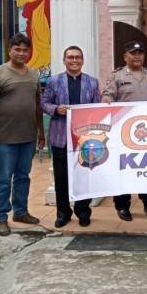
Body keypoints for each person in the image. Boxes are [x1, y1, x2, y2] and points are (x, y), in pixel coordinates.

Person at [0, 33, 46, 236]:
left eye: (25, 50)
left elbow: (37, 106)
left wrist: (40, 132)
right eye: (17, 49)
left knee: (23, 177)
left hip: (27, 136)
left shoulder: (34, 75)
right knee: (3, 179)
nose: (21, 53)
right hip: (4, 138)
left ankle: (21, 212)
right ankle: (1, 217)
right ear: (9, 50)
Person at [101, 40, 147, 221]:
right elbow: (108, 94)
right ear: (125, 57)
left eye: (140, 53)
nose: (137, 56)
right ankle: (122, 206)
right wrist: (106, 99)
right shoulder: (117, 76)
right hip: (123, 133)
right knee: (123, 170)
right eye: (133, 53)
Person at [41, 45, 100, 228]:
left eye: (77, 57)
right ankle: (63, 213)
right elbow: (43, 103)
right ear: (64, 60)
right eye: (70, 57)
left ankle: (83, 211)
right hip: (61, 137)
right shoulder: (54, 81)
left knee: (84, 177)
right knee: (61, 177)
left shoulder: (92, 82)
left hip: (84, 139)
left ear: (82, 60)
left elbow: (97, 106)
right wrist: (55, 109)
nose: (74, 60)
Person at [11, 0, 51, 74]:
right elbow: (22, 0)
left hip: (44, 22)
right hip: (35, 22)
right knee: (36, 42)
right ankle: (38, 64)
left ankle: (46, 63)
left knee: (45, 41)